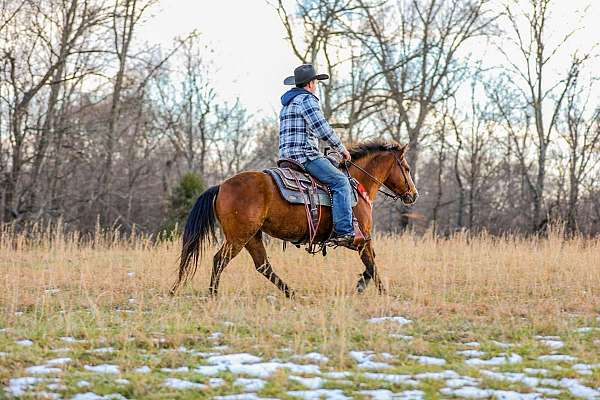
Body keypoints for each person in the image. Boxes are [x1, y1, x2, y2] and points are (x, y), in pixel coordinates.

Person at [279, 64, 354, 247]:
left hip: (285, 158)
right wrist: (341, 148)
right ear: (311, 83)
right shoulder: (306, 99)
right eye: (316, 82)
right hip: (305, 156)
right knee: (340, 182)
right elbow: (322, 129)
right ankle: (344, 231)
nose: (316, 85)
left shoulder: (287, 104)